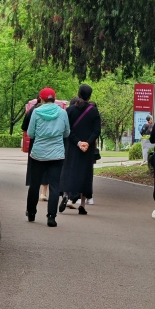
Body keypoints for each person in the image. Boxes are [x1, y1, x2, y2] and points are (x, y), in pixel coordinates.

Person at [26, 87, 70, 227]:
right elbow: (67, 132)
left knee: (35, 184)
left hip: (39, 154)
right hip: (57, 154)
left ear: (41, 99)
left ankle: (31, 212)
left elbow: (30, 133)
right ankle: (51, 216)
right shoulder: (62, 113)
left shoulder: (36, 112)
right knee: (54, 185)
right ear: (54, 99)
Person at [59, 84, 101, 215]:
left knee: (69, 170)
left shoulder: (70, 110)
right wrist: (87, 142)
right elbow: (96, 130)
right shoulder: (93, 111)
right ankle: (82, 204)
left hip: (72, 146)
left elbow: (66, 129)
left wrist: (77, 142)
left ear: (78, 93)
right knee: (85, 174)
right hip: (87, 149)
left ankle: (66, 195)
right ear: (90, 96)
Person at [22, 96, 48, 200]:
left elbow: (25, 127)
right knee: (47, 166)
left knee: (34, 167)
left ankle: (33, 192)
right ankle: (43, 192)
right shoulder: (55, 111)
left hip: (35, 143)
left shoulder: (33, 110)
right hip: (49, 143)